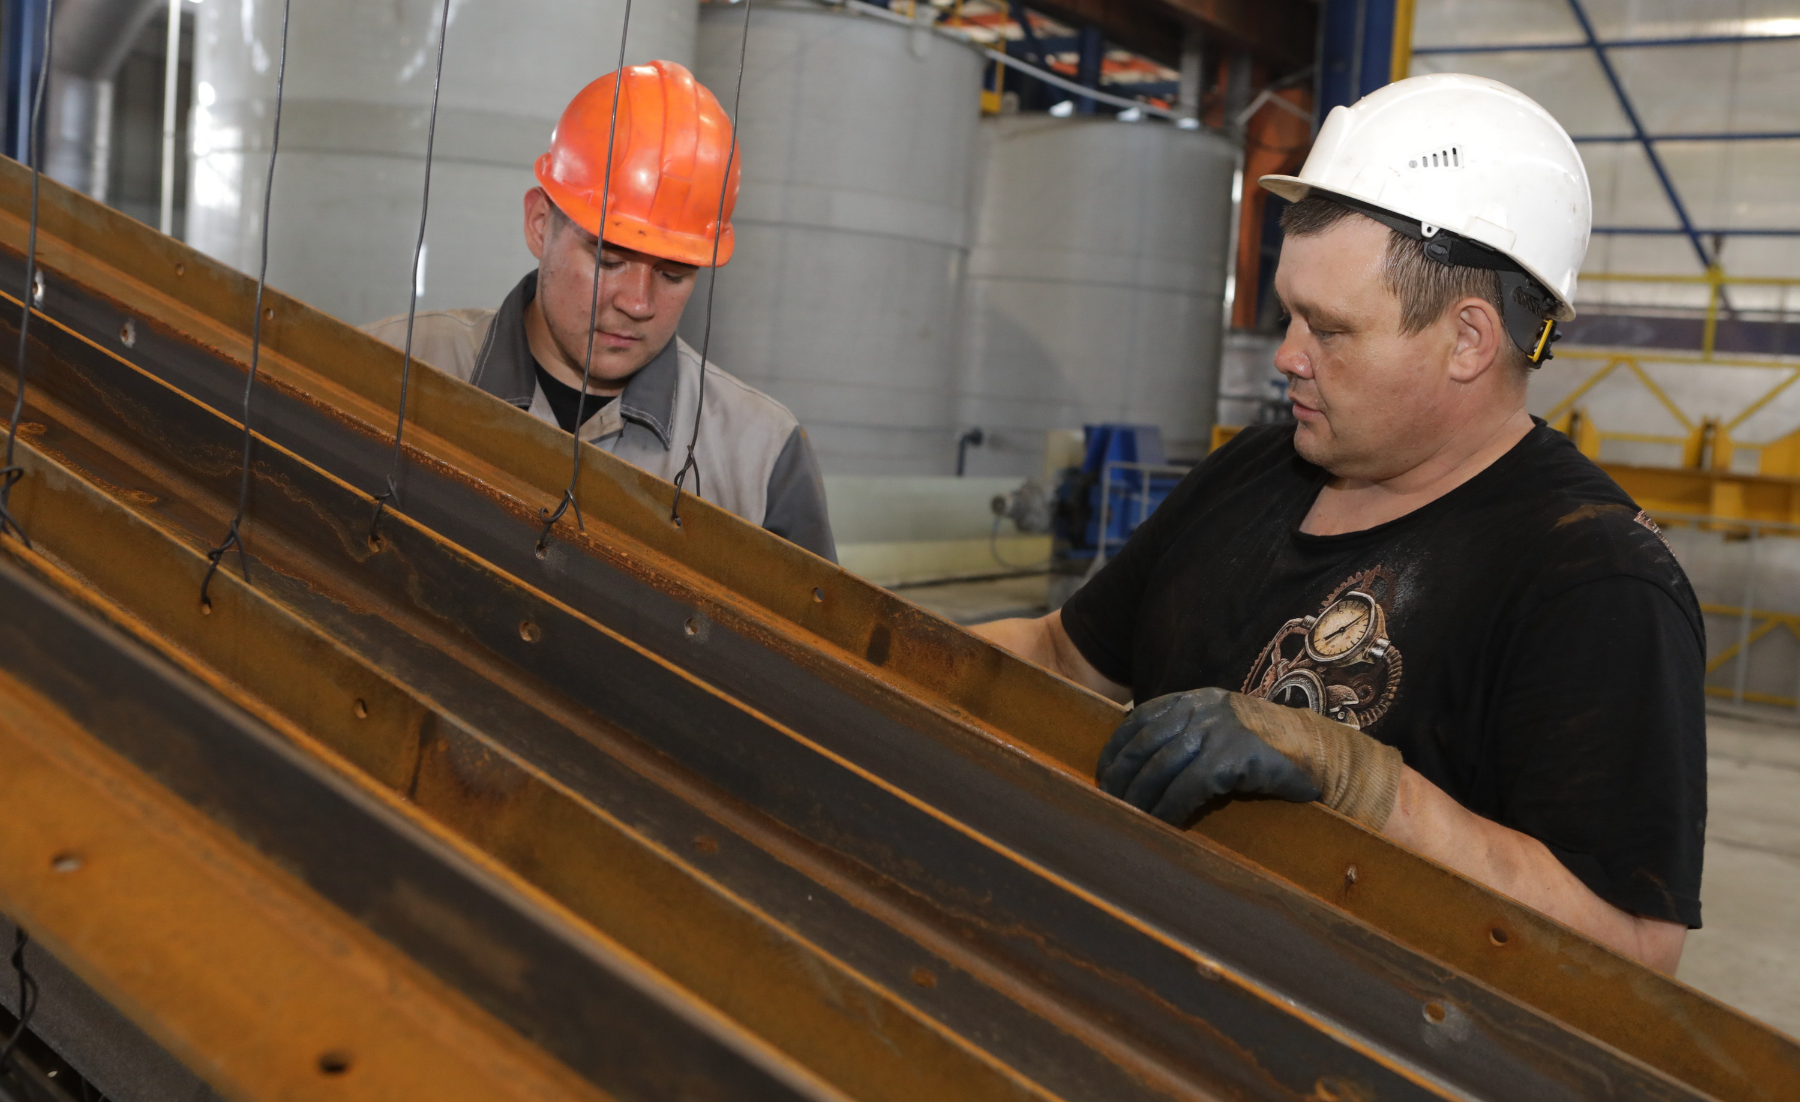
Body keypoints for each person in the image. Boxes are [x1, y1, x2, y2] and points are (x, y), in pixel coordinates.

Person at [976, 74, 1704, 973]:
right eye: (1290, 314)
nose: (1287, 356)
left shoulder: (1592, 577)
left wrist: (1358, 782)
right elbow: (1062, 657)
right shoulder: (1257, 469)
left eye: (1329, 329)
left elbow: (1634, 952)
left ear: (1469, 340)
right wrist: (871, 641)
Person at [366, 60, 834, 560]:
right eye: (609, 260)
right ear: (540, 225)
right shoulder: (389, 369)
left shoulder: (762, 454)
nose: (637, 303)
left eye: (673, 274)